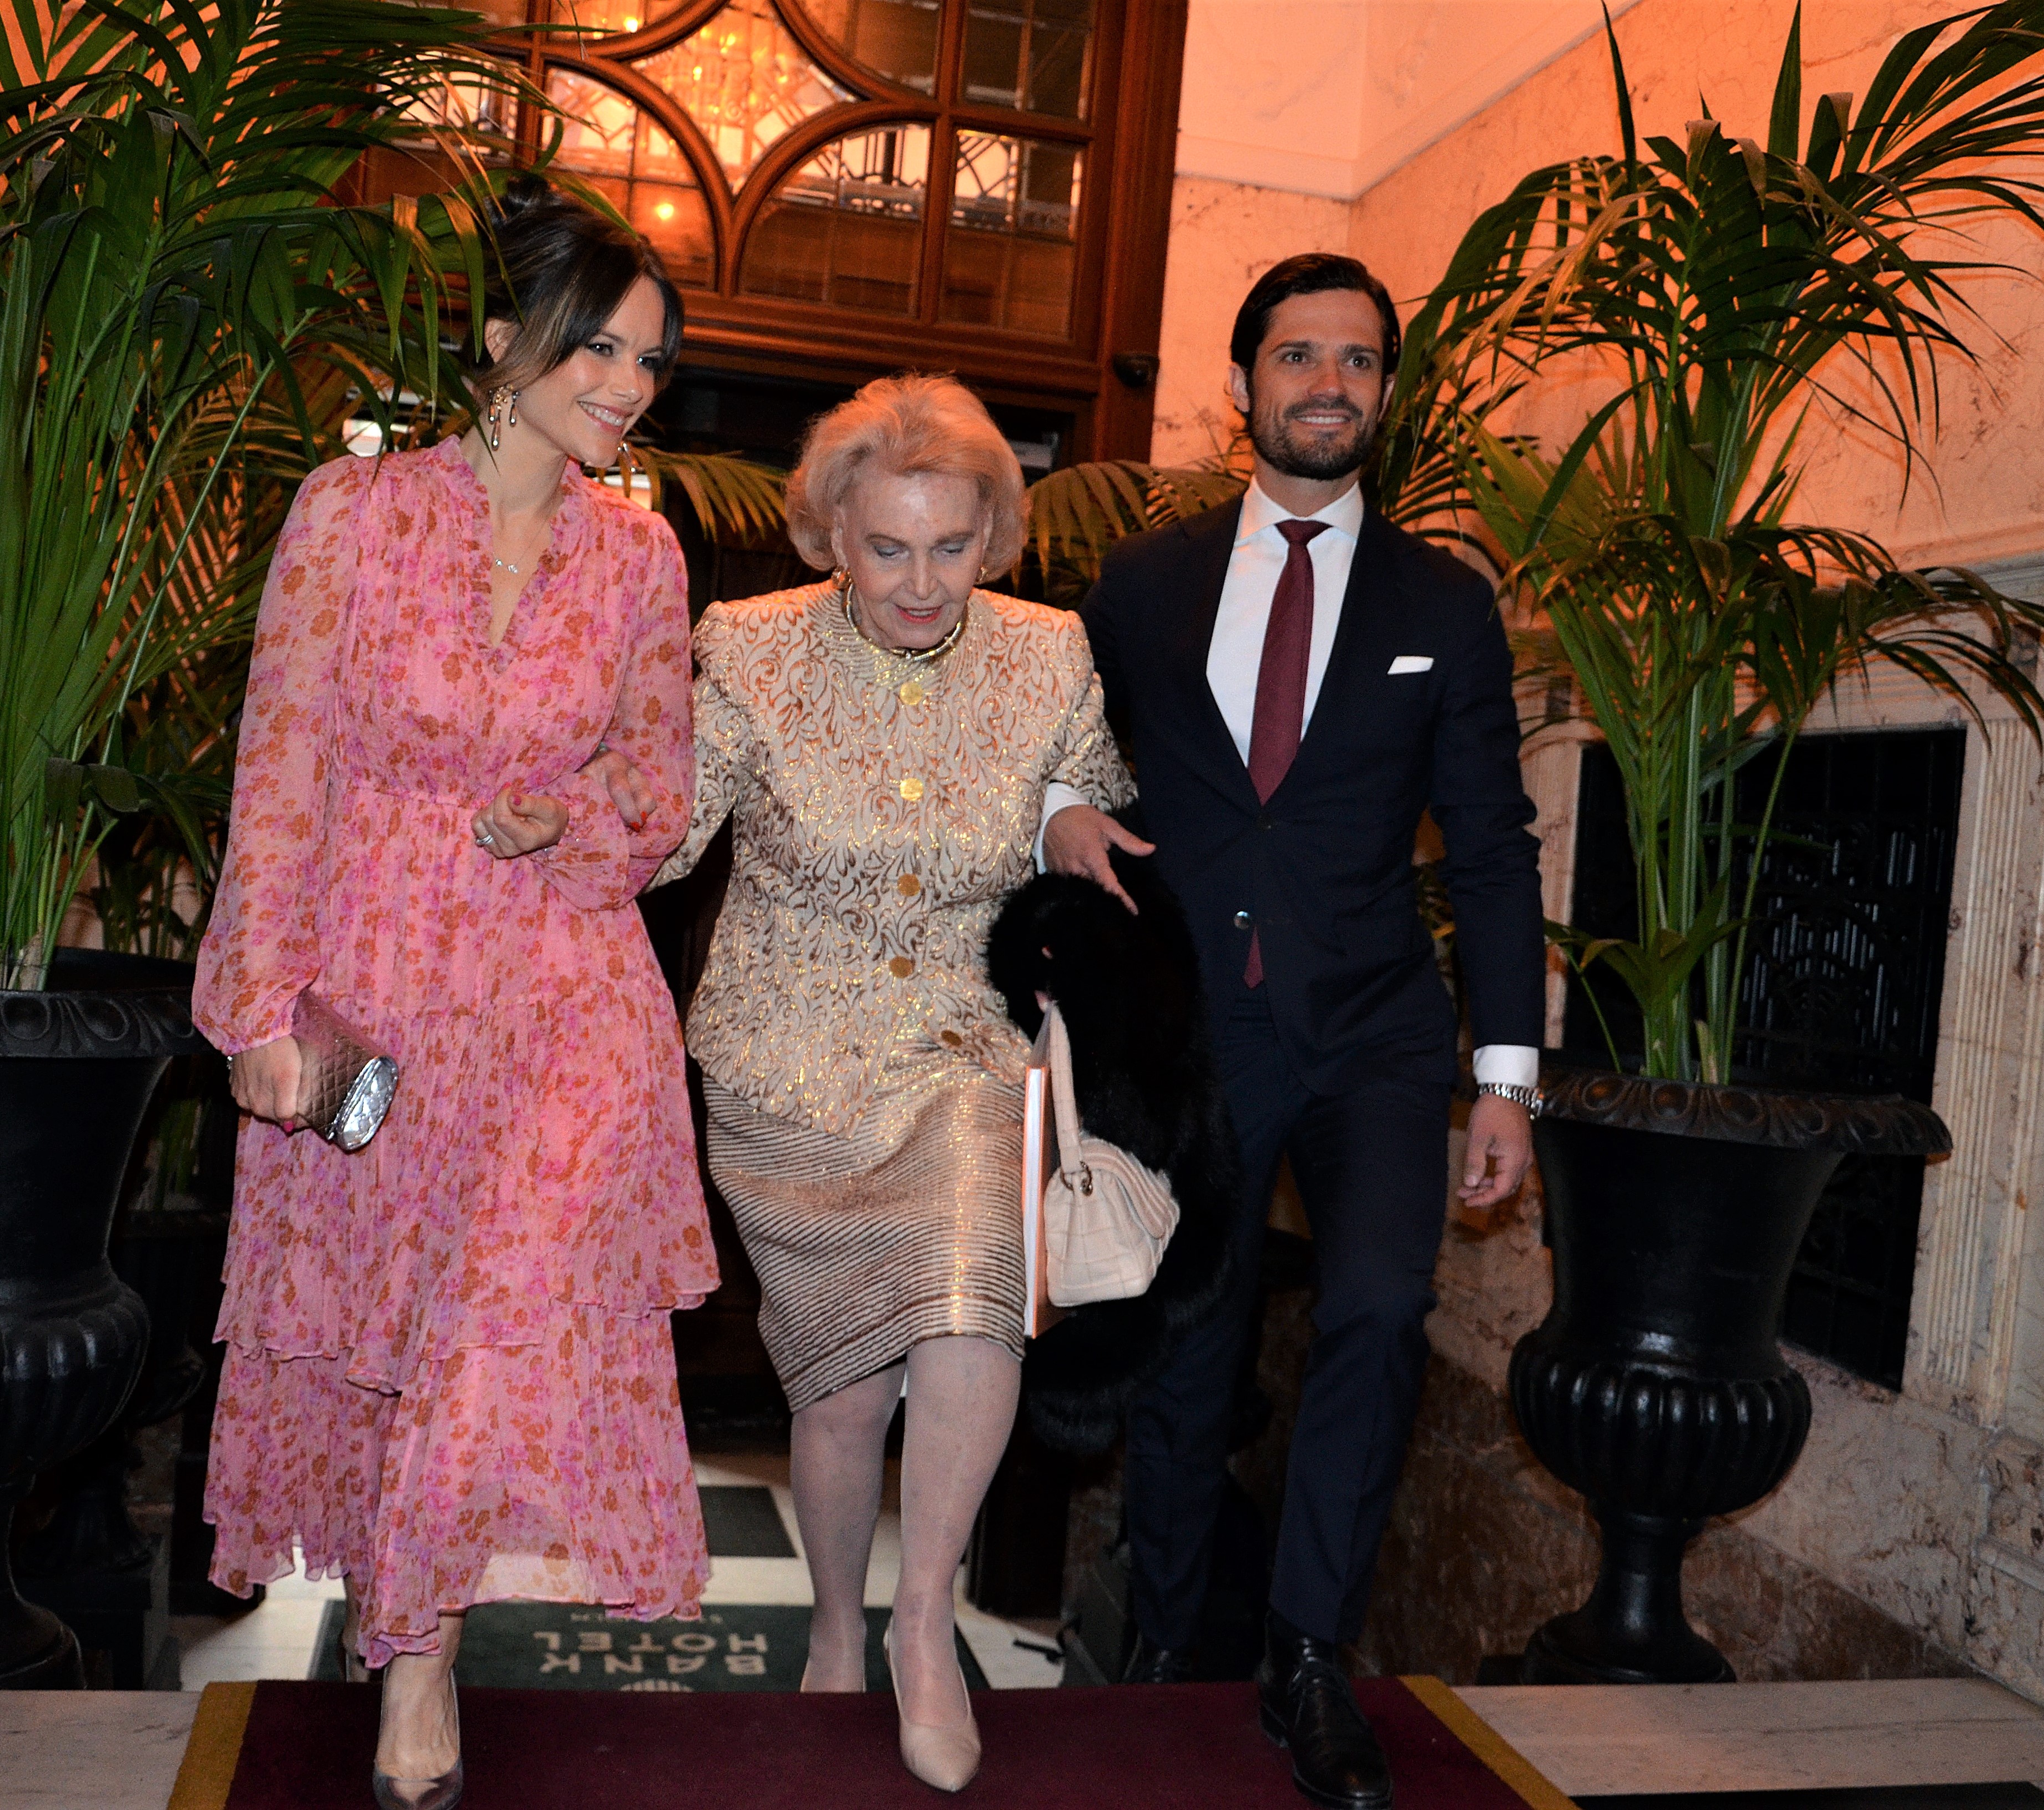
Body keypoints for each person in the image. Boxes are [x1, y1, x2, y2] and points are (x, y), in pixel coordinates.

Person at [190, 182, 716, 1810]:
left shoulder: (641, 558)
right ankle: (397, 1600)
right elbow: (281, 766)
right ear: (503, 341)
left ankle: (417, 1655)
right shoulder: (350, 515)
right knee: (397, 1326)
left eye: (650, 362)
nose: (627, 386)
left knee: (499, 1304)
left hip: (564, 991)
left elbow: (661, 787)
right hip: (380, 976)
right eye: (599, 348)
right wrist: (257, 1007)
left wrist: (574, 815)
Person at [1047, 253, 1542, 1809]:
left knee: (1380, 1308)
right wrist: (1059, 809)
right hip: (1193, 1026)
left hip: (1374, 1033)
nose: (1329, 383)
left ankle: (1310, 1655)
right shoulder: (1142, 583)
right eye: (1298, 355)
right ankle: (1160, 1644)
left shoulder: (1442, 603)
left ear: (1384, 388)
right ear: (1243, 382)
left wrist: (1505, 1075)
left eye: (1359, 359)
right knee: (1187, 1346)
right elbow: (1055, 742)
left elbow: (1493, 844)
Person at [621, 373, 1132, 1792]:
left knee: (973, 1299)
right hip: (782, 1060)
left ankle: (922, 1624)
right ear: (830, 535)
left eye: (951, 546)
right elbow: (665, 837)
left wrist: (1069, 818)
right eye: (888, 547)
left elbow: (1079, 787)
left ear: (993, 536)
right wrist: (570, 796)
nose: (921, 582)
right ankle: (835, 1627)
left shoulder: (1049, 652)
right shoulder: (746, 646)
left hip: (966, 1044)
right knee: (843, 1393)